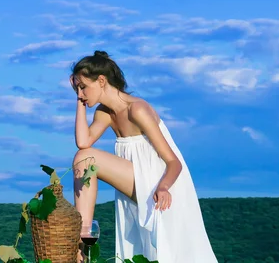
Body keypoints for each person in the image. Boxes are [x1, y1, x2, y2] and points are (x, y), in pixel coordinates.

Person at [70, 50, 218, 263]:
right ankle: (81, 241)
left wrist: (164, 187)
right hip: (138, 182)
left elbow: (173, 162)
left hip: (162, 183)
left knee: (85, 159)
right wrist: (79, 101)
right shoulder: (104, 113)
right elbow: (83, 142)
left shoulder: (137, 109)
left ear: (101, 81)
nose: (80, 93)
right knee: (83, 157)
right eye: (77, 88)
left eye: (83, 87)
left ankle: (80, 243)